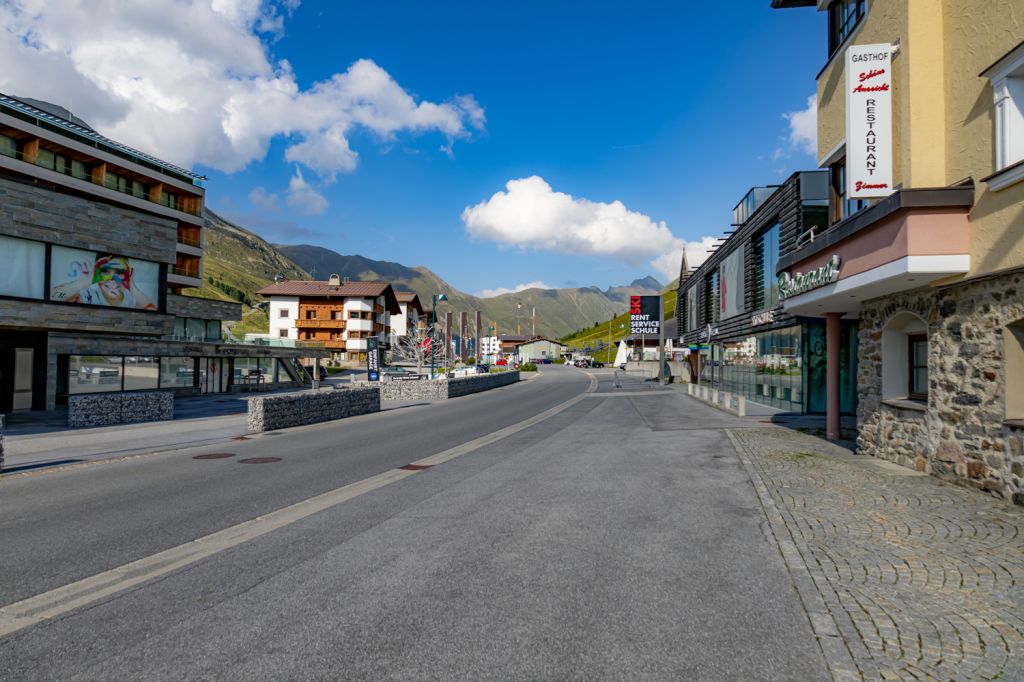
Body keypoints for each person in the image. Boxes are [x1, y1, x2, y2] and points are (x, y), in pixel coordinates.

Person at [51, 254, 156, 310]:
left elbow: (154, 312)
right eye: (105, 271)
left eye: (119, 272)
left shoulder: (132, 301)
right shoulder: (87, 297)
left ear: (128, 274)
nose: (112, 278)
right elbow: (52, 296)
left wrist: (132, 287)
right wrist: (88, 280)